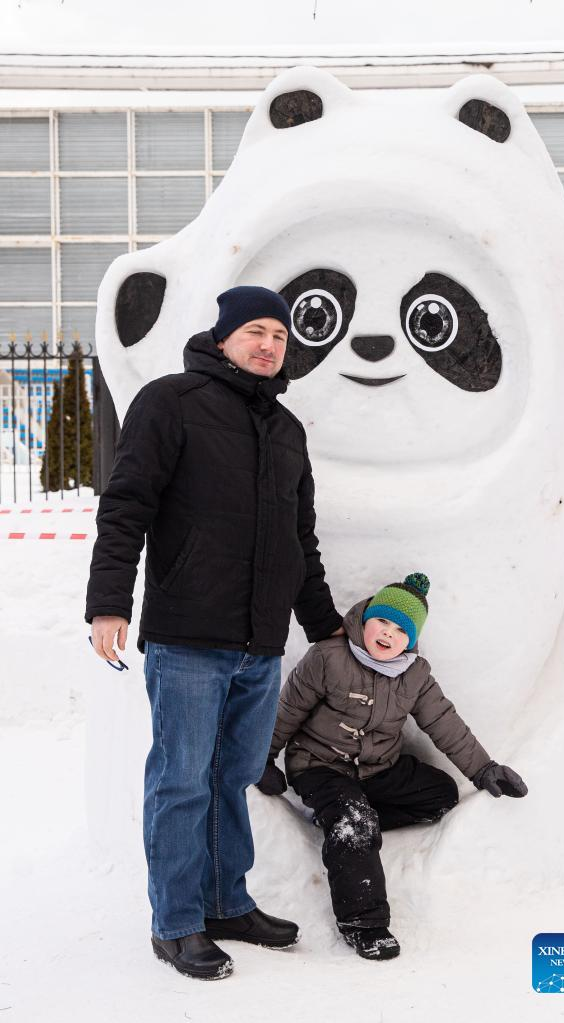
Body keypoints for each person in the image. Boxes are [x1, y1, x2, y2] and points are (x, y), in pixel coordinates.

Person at [85, 285, 343, 981]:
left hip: (258, 644)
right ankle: (175, 922)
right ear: (224, 336)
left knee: (230, 779)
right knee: (182, 781)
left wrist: (326, 631)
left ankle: (226, 902)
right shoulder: (170, 402)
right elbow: (127, 503)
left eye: (280, 336)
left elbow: (299, 541)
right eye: (256, 331)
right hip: (189, 638)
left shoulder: (287, 430)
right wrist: (109, 602)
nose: (268, 345)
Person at [257, 572, 527, 961]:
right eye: (382, 621)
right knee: (355, 822)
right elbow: (288, 708)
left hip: (377, 769)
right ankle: (364, 923)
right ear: (364, 619)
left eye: (401, 629)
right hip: (321, 765)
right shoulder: (328, 657)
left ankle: (346, 822)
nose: (388, 633)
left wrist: (484, 770)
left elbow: (444, 722)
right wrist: (263, 757)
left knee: (439, 794)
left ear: (411, 640)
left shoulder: (414, 674)